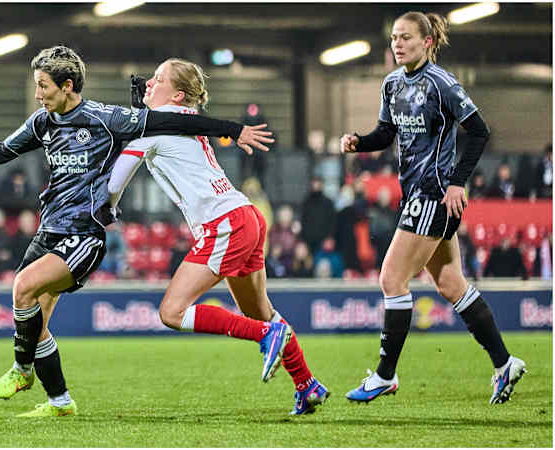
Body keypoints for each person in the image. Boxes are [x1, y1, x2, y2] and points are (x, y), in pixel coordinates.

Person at [0, 45, 274, 418]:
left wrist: (233, 129)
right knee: (36, 322)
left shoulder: (105, 118)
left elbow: (175, 123)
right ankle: (60, 402)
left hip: (84, 234)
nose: (38, 94)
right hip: (49, 229)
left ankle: (21, 371)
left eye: (43, 86)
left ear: (67, 86)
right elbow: (0, 152)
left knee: (22, 288)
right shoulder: (42, 122)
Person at [108, 58, 328, 416]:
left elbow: (114, 184)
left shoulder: (155, 131)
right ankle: (307, 384)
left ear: (178, 96)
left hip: (224, 223)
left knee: (172, 312)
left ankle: (265, 338)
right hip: (246, 216)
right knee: (260, 312)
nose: (149, 82)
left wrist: (104, 210)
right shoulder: (183, 120)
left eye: (158, 78)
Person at [340, 11, 525, 405]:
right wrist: (360, 141)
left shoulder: (442, 83)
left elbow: (479, 130)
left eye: (405, 37)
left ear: (427, 42)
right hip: (418, 195)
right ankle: (504, 363)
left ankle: (385, 376)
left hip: (434, 194)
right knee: (450, 284)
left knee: (391, 279)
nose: (397, 44)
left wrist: (458, 180)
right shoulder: (392, 84)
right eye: (393, 38)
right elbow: (387, 132)